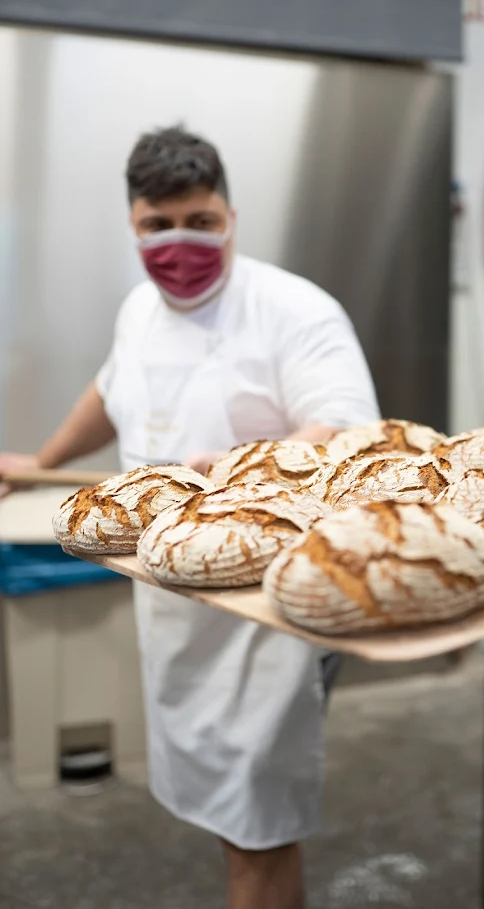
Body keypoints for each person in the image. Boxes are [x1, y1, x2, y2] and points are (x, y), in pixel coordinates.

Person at [0, 126, 380, 909]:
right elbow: (111, 393)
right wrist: (38, 463)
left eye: (200, 223)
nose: (179, 244)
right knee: (227, 808)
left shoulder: (294, 310)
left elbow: (343, 432)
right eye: (157, 226)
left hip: (270, 608)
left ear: (232, 217)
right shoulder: (142, 309)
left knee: (258, 820)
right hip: (174, 600)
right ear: (134, 225)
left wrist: (247, 464)